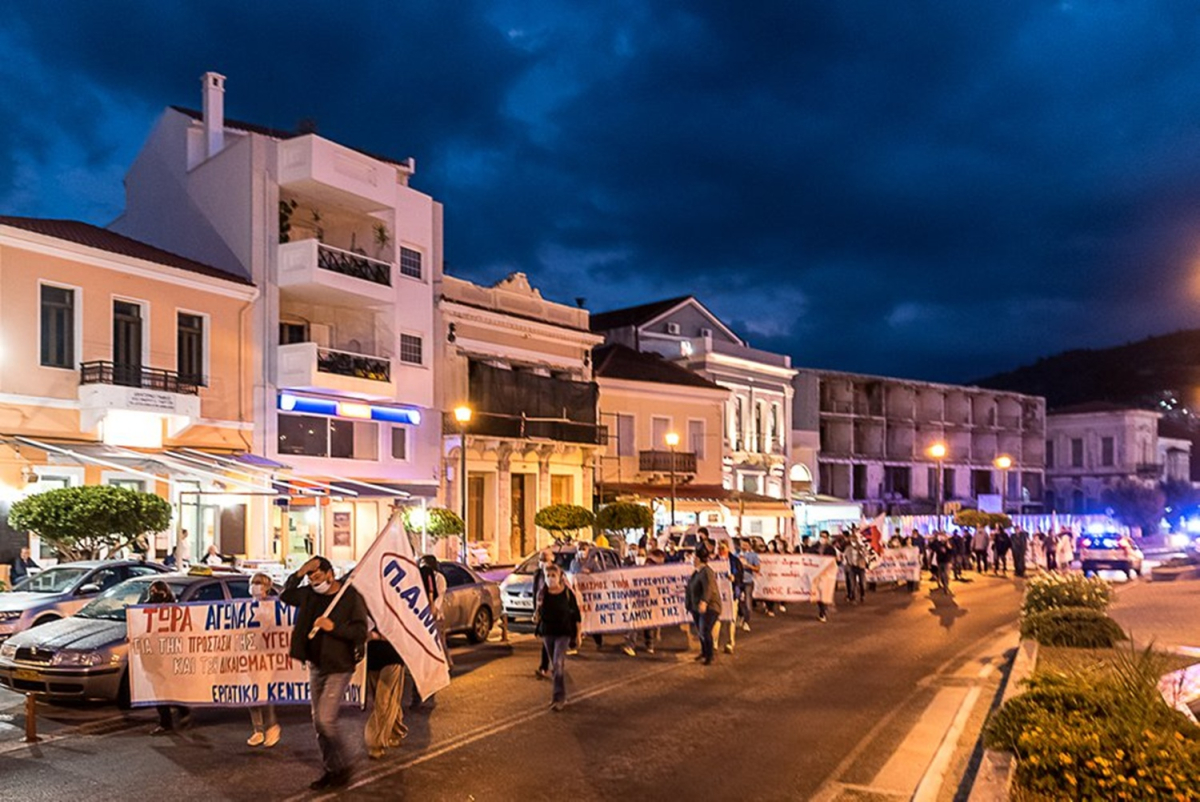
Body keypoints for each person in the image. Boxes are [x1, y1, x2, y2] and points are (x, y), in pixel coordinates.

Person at [280, 556, 368, 791]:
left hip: (338, 666)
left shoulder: (349, 596)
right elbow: (285, 595)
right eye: (310, 577)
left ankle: (344, 765)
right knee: (318, 724)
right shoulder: (309, 594)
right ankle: (332, 770)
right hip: (316, 665)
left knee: (325, 721)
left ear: (330, 574)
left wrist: (334, 628)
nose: (313, 580)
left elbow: (361, 631)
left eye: (317, 575)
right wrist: (300, 572)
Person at [145, 580, 191, 735]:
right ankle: (171, 718)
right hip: (154, 656)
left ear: (165, 593)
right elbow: (143, 628)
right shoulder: (147, 608)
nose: (154, 595)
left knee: (167, 688)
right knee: (159, 690)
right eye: (152, 592)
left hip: (169, 655)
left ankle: (177, 714)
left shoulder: (175, 610)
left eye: (157, 592)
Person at [534, 563, 580, 711]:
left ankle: (559, 698)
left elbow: (576, 615)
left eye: (554, 575)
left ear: (560, 577)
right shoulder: (542, 594)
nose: (551, 578)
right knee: (555, 665)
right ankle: (558, 696)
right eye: (548, 576)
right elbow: (538, 613)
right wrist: (535, 617)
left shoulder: (567, 594)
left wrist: (578, 634)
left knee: (558, 663)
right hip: (548, 632)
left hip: (564, 633)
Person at [246, 573, 281, 747]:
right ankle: (257, 730)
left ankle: (272, 727)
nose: (255, 586)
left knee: (264, 693)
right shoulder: (246, 607)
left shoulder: (272, 607)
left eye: (258, 583)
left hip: (266, 656)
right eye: (253, 583)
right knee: (252, 695)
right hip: (250, 656)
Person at [364, 627, 406, 759]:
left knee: (383, 701)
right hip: (372, 658)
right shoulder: (365, 606)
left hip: (392, 656)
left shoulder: (400, 606)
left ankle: (375, 743)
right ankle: (395, 731)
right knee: (386, 699)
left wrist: (380, 636)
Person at [685, 546, 721, 666]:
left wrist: (704, 601)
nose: (691, 559)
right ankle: (704, 652)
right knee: (701, 631)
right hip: (697, 607)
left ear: (698, 559)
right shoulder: (697, 572)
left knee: (705, 630)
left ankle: (709, 655)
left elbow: (709, 588)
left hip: (710, 607)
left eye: (693, 557)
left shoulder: (706, 572)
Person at [714, 541, 740, 654]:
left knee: (730, 620)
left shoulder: (734, 561)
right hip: (717, 596)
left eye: (723, 548)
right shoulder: (715, 561)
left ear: (728, 548)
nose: (721, 550)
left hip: (732, 594)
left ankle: (729, 643)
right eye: (719, 548)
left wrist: (734, 578)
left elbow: (740, 575)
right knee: (716, 620)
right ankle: (714, 644)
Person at [532, 549, 555, 678]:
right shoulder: (538, 574)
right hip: (543, 611)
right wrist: (535, 610)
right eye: (541, 559)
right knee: (546, 640)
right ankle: (544, 667)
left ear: (552, 559)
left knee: (554, 641)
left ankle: (555, 667)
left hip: (556, 611)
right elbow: (536, 593)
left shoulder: (557, 573)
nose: (542, 562)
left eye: (545, 559)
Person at [736, 539, 760, 631]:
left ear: (750, 545)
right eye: (742, 544)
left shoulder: (753, 555)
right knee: (736, 600)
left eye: (746, 544)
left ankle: (746, 621)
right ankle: (740, 616)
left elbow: (757, 569)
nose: (744, 546)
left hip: (748, 581)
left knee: (748, 602)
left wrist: (748, 566)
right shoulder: (736, 554)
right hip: (738, 580)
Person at [841, 532, 868, 603]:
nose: (853, 541)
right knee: (852, 583)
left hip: (861, 567)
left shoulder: (862, 548)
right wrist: (846, 564)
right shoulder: (848, 548)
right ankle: (853, 597)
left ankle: (862, 595)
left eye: (854, 539)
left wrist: (861, 551)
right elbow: (844, 557)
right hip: (851, 567)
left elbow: (866, 555)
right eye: (852, 540)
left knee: (862, 583)